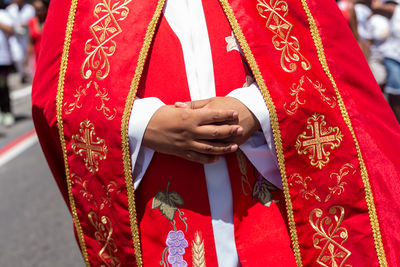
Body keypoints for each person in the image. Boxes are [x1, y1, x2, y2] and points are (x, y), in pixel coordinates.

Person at [32, 0, 400, 266]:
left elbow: (334, 74)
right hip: (161, 223)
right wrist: (144, 124)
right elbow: (61, 97)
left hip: (273, 220)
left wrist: (256, 109)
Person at [373, 0, 400, 122]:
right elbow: (378, 5)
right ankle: (394, 120)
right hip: (393, 55)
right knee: (395, 91)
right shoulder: (396, 7)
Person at [6, 0, 34, 83]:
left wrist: (25, 25)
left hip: (27, 36)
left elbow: (33, 21)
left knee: (30, 56)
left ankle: (31, 74)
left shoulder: (30, 9)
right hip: (15, 38)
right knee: (17, 57)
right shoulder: (10, 9)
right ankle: (24, 74)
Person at [0, 0, 14, 126]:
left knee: (3, 86)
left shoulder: (3, 13)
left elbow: (11, 28)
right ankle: (2, 112)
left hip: (3, 58)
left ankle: (7, 111)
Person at [25, 0, 49, 73]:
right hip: (37, 57)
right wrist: (27, 61)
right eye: (36, 10)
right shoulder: (32, 22)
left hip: (48, 55)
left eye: (41, 9)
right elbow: (31, 43)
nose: (39, 12)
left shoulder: (50, 20)